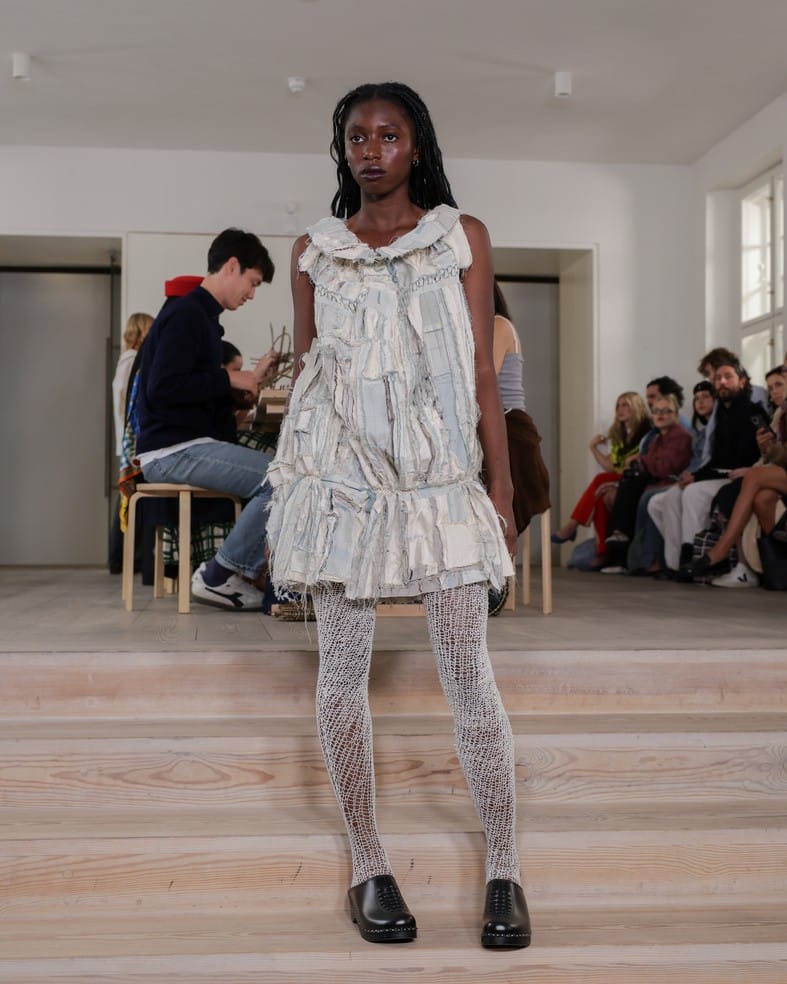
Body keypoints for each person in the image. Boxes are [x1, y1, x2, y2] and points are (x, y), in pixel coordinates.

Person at [265, 82, 528, 950]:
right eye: (356, 136)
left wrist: (499, 489)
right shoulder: (315, 250)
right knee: (341, 674)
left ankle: (505, 867)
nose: (370, 150)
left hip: (440, 483)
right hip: (341, 487)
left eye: (388, 135)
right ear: (340, 149)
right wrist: (297, 499)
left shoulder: (460, 236)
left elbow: (482, 371)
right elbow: (310, 376)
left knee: (467, 674)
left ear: (416, 147)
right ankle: (367, 865)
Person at [136, 229, 279, 610]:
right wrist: (228, 379)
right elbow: (163, 388)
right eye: (252, 283)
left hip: (182, 444)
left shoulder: (201, 317)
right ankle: (219, 574)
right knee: (283, 478)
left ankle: (236, 573)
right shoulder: (187, 314)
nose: (251, 294)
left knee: (285, 474)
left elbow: (187, 392)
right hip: (172, 450)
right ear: (232, 266)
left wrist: (235, 395)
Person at [647, 358, 766, 577]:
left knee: (694, 493)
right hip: (720, 474)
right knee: (669, 497)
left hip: (740, 475)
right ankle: (677, 563)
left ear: (742, 381)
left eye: (728, 377)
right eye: (718, 378)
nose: (722, 382)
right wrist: (695, 474)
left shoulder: (752, 412)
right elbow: (716, 459)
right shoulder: (721, 416)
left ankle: (696, 559)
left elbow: (742, 459)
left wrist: (698, 477)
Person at [551, 391, 650, 563]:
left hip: (636, 480)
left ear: (636, 407)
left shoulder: (646, 432)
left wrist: (628, 465)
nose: (620, 410)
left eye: (625, 405)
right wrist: (593, 448)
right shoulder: (620, 434)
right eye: (618, 406)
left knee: (600, 479)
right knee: (600, 498)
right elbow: (612, 466)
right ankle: (602, 553)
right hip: (621, 478)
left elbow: (636, 463)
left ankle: (573, 525)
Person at [601, 393, 692, 572]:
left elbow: (664, 468)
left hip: (672, 482)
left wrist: (642, 460)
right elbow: (651, 463)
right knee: (624, 486)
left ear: (675, 415)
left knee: (644, 497)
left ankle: (647, 559)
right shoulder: (657, 438)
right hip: (656, 481)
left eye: (666, 411)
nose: (660, 415)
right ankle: (629, 554)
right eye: (656, 411)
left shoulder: (680, 436)